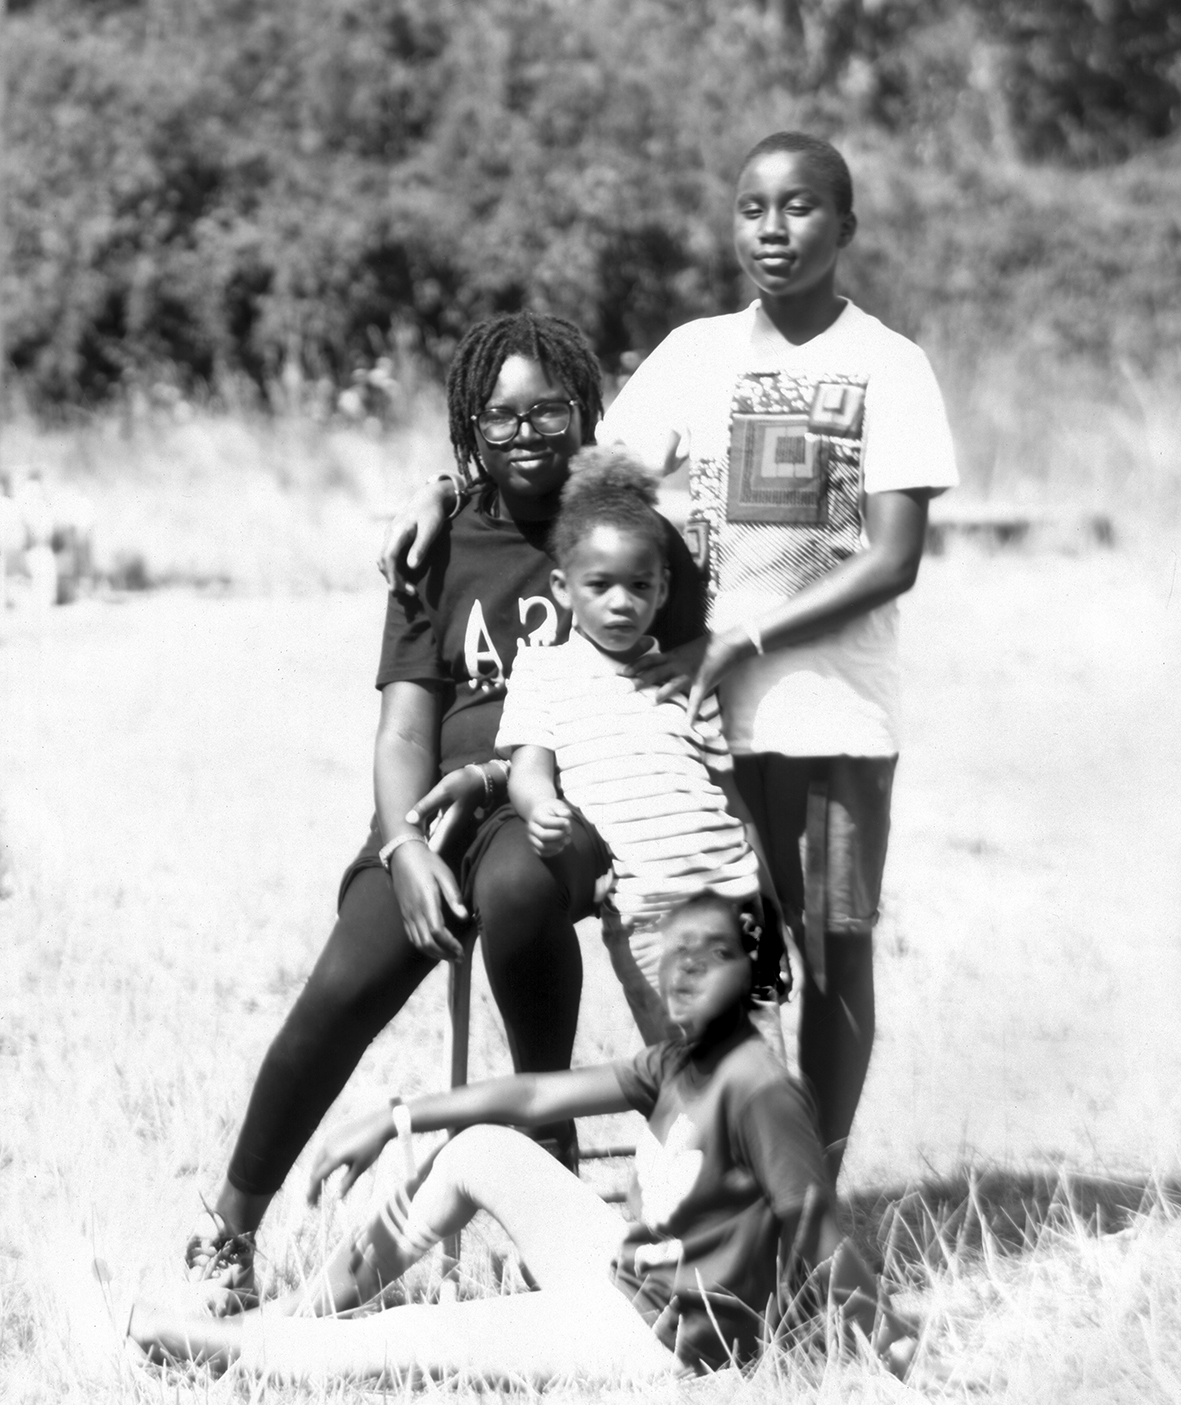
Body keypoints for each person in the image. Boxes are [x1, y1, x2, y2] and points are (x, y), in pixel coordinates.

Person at [385, 132, 958, 1178]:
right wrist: (447, 487)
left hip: (829, 718)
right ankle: (736, 1180)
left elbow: (892, 558)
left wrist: (741, 635)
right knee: (711, 960)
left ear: (845, 225)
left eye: (798, 208)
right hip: (694, 729)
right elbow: (571, 466)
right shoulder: (695, 356)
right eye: (751, 208)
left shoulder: (888, 366)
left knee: (830, 957)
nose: (772, 230)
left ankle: (811, 1194)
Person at [186, 311, 706, 1311]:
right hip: (434, 812)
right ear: (469, 425)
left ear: (584, 413)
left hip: (557, 805)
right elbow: (401, 733)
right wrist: (403, 846)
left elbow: (677, 682)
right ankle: (228, 1232)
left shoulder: (624, 537)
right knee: (345, 979)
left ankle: (547, 1178)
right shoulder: (437, 544)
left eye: (548, 411)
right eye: (498, 416)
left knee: (516, 886)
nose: (525, 434)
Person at [131, 894, 918, 1382]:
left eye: (711, 958)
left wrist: (890, 1341)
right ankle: (296, 1315)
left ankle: (231, 1352)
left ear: (754, 972)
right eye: (676, 953)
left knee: (417, 1336)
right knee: (480, 1145)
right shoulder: (680, 1061)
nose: (683, 973)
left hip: (656, 1338)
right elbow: (535, 1094)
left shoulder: (762, 1090)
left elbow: (815, 1225)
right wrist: (397, 1117)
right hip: (620, 1273)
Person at [497, 444, 772, 1046]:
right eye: (600, 585)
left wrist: (767, 909)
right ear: (563, 587)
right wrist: (541, 809)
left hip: (735, 899)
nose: (621, 602)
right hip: (650, 914)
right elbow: (528, 767)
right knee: (690, 1071)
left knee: (760, 1069)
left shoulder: (682, 678)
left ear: (663, 589)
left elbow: (730, 798)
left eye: (639, 585)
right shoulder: (544, 672)